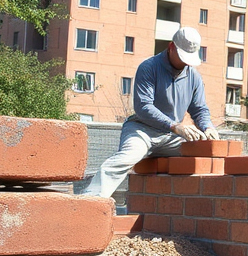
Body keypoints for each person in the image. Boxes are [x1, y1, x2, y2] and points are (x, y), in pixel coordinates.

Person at [82, 26, 219, 199]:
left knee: (207, 150)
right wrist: (175, 126)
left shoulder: (194, 77)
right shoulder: (149, 67)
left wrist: (207, 127)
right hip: (142, 131)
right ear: (171, 47)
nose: (186, 63)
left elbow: (199, 109)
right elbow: (144, 107)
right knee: (126, 158)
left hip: (171, 137)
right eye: (183, 57)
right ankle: (89, 201)